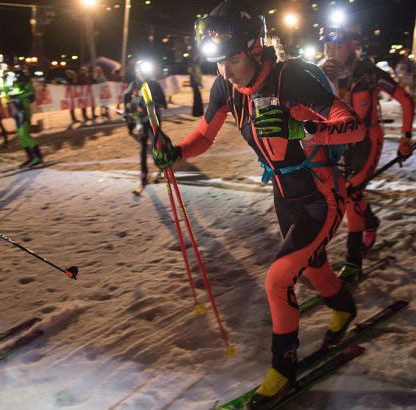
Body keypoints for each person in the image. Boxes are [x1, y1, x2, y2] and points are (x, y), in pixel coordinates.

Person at [154, 1, 365, 407]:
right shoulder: (226, 86)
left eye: (232, 60)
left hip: (322, 195)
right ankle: (343, 307)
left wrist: (302, 127)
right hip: (284, 196)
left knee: (279, 279)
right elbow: (203, 136)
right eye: (218, 62)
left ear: (255, 47)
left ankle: (283, 369)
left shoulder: (296, 77)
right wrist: (175, 152)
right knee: (314, 263)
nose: (225, 71)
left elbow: (351, 128)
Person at [318, 25, 414, 276]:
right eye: (327, 46)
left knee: (350, 194)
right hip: (339, 143)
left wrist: (406, 138)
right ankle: (371, 223)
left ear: (351, 46)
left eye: (336, 46)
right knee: (348, 193)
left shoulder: (369, 73)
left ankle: (353, 261)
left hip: (367, 141)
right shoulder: (320, 72)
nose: (330, 51)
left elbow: (407, 99)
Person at [124, 61, 167, 191]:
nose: (140, 74)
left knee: (156, 144)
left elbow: (162, 102)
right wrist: (129, 112)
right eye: (138, 71)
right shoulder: (134, 85)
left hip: (153, 120)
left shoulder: (154, 84)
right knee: (143, 147)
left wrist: (152, 104)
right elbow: (129, 100)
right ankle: (143, 175)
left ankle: (163, 168)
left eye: (142, 71)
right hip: (141, 121)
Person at [2, 68, 42, 167]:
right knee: (20, 135)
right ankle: (30, 156)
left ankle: (38, 156)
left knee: (24, 133)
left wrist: (19, 94)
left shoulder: (24, 80)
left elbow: (31, 93)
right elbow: (6, 90)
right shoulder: (9, 79)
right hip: (16, 109)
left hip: (23, 109)